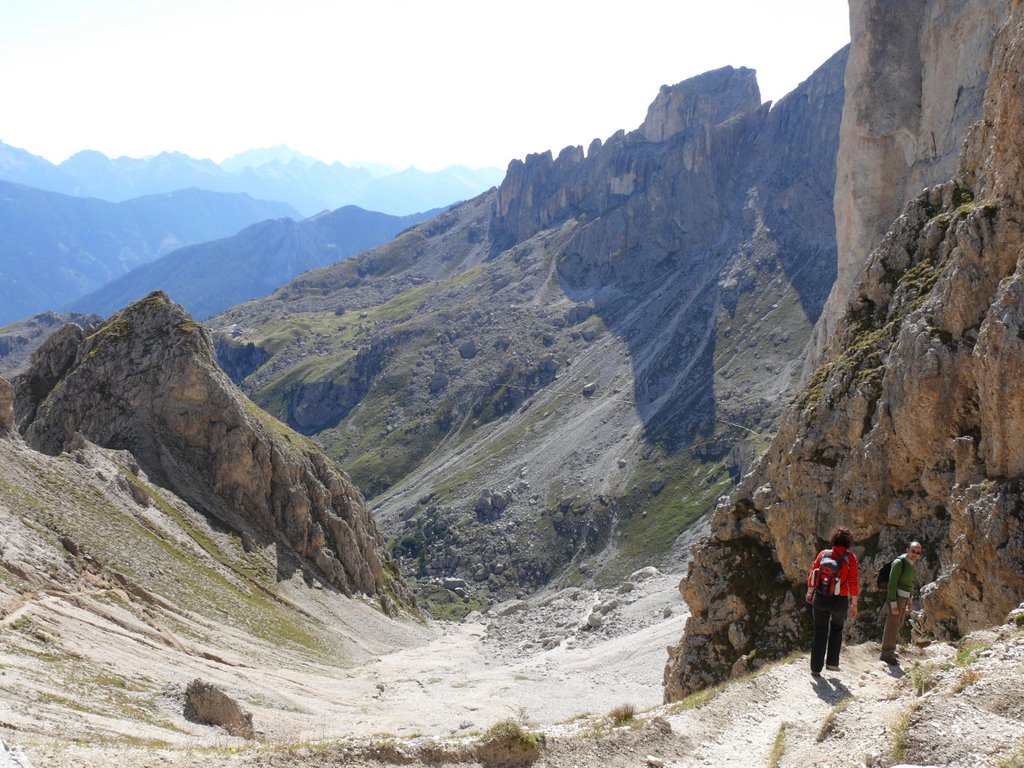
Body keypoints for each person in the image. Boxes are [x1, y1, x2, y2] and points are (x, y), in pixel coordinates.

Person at [805, 526, 860, 677]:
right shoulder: (850, 559)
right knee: (836, 629)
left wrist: (810, 593)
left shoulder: (823, 554)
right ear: (848, 542)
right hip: (839, 601)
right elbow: (853, 582)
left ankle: (816, 668)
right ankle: (832, 663)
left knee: (820, 630)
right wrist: (854, 604)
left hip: (821, 597)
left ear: (833, 539)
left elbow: (813, 574)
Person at [880, 540, 923, 664]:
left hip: (903, 598)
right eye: (913, 551)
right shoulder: (899, 563)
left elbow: (908, 585)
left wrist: (909, 600)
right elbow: (892, 584)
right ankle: (886, 655)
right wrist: (893, 604)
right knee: (892, 625)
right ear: (907, 550)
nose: (915, 554)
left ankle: (890, 651)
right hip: (896, 598)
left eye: (918, 552)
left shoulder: (912, 565)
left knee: (897, 624)